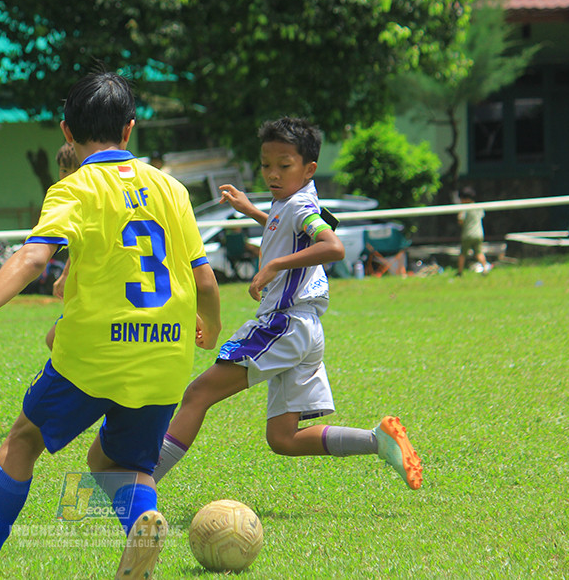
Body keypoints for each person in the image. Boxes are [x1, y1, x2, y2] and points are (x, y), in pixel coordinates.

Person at [0, 71, 222, 580]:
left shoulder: (74, 187)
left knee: (22, 441)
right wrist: (211, 329)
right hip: (166, 355)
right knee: (118, 464)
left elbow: (31, 258)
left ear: (67, 131)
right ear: (129, 129)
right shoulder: (172, 189)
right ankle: (140, 523)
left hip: (95, 355)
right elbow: (205, 280)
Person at [152, 117, 423, 492]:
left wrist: (274, 265)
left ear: (309, 168)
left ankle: (139, 486)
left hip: (284, 325)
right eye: (266, 165)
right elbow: (286, 230)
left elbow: (333, 246)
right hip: (304, 330)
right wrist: (253, 212)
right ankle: (379, 440)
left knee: (198, 394)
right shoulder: (288, 204)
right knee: (282, 438)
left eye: (284, 165)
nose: (272, 174)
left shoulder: (301, 207)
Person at [44, 142, 81, 350]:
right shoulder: (66, 197)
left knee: (54, 340)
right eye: (64, 170)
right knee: (54, 340)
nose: (67, 176)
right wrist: (66, 275)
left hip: (98, 288)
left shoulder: (82, 198)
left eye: (74, 170)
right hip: (84, 287)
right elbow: (78, 246)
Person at [457, 186, 489, 276]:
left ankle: (460, 272)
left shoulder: (464, 208)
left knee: (463, 253)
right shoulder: (478, 207)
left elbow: (460, 221)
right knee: (479, 253)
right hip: (479, 233)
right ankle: (485, 269)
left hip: (467, 235)